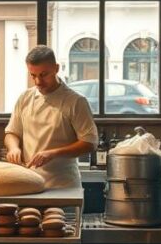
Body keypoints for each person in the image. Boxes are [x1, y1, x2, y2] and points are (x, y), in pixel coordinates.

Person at [5, 46, 98, 189]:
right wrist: (13, 148)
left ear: (56, 68)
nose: (38, 82)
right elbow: (12, 132)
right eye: (33, 75)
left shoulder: (76, 101)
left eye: (43, 75)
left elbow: (90, 143)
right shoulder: (25, 98)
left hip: (63, 185)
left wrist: (53, 153)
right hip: (29, 182)